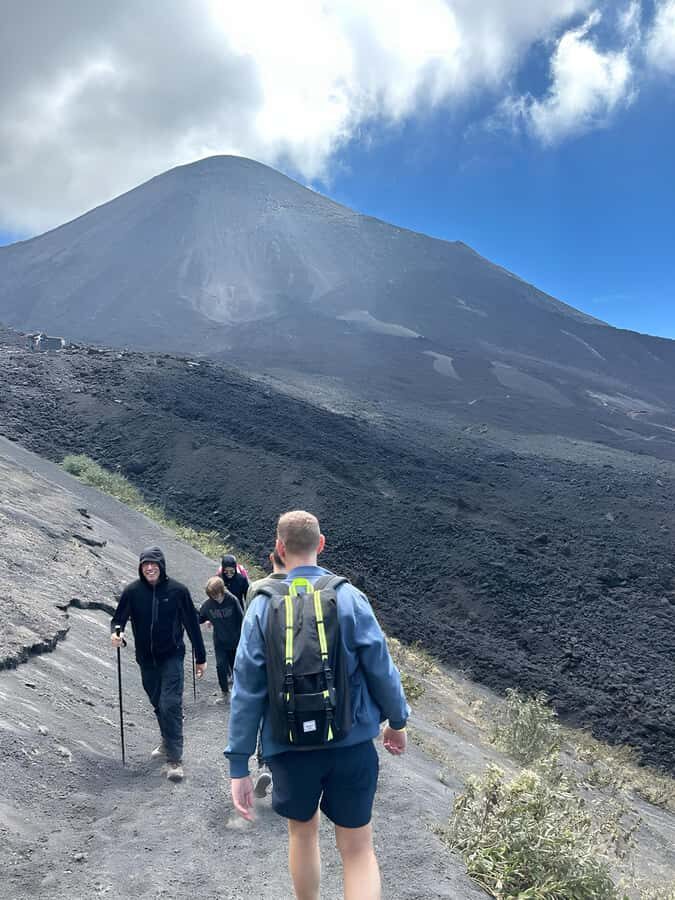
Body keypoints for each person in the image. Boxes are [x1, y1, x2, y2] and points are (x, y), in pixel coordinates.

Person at [225, 511, 408, 900]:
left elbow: (247, 690)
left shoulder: (260, 605)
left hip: (289, 747)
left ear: (279, 547)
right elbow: (381, 667)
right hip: (352, 742)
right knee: (358, 849)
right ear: (321, 545)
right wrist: (397, 720)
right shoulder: (348, 597)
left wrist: (239, 764)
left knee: (303, 835)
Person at [111, 546, 207, 782]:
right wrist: (117, 634)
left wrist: (201, 657)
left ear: (161, 566)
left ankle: (175, 760)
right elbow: (118, 620)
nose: (150, 568)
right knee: (158, 704)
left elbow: (192, 626)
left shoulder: (178, 591)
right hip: (146, 659)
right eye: (145, 564)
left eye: (154, 564)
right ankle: (167, 740)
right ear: (141, 567)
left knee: (170, 704)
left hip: (172, 656)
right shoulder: (132, 592)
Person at [245, 548, 288, 797]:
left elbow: (250, 628)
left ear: (272, 559)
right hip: (300, 665)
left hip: (267, 664)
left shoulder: (257, 588)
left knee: (268, 717)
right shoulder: (311, 586)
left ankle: (267, 765)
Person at [199, 576, 244, 702]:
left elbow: (242, 619)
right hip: (220, 642)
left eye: (217, 594)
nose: (215, 598)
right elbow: (199, 618)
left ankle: (240, 692)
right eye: (212, 596)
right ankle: (225, 693)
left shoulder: (232, 600)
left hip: (235, 641)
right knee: (220, 666)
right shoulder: (208, 605)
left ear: (222, 590)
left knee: (237, 668)